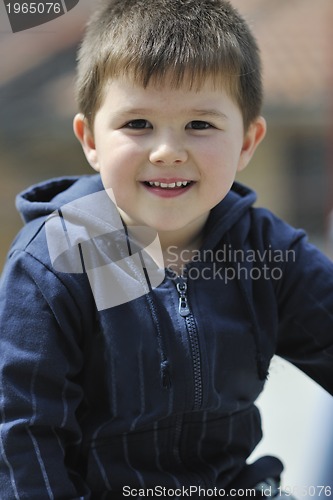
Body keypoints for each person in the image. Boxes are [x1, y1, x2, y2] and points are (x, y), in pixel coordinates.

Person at [0, 0, 332, 498]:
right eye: (137, 125)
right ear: (90, 138)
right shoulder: (54, 263)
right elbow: (22, 434)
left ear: (247, 141)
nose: (167, 150)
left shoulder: (264, 252)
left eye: (200, 125)